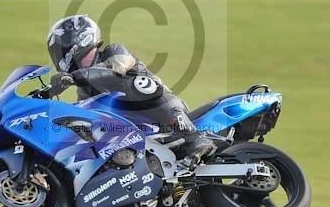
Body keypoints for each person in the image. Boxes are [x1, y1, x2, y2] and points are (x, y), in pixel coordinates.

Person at [45, 14, 216, 159]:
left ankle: (193, 137)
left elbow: (116, 68)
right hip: (135, 136)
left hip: (164, 113)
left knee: (140, 84)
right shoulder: (84, 91)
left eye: (61, 48)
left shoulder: (113, 51)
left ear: (79, 41)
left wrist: (74, 77)